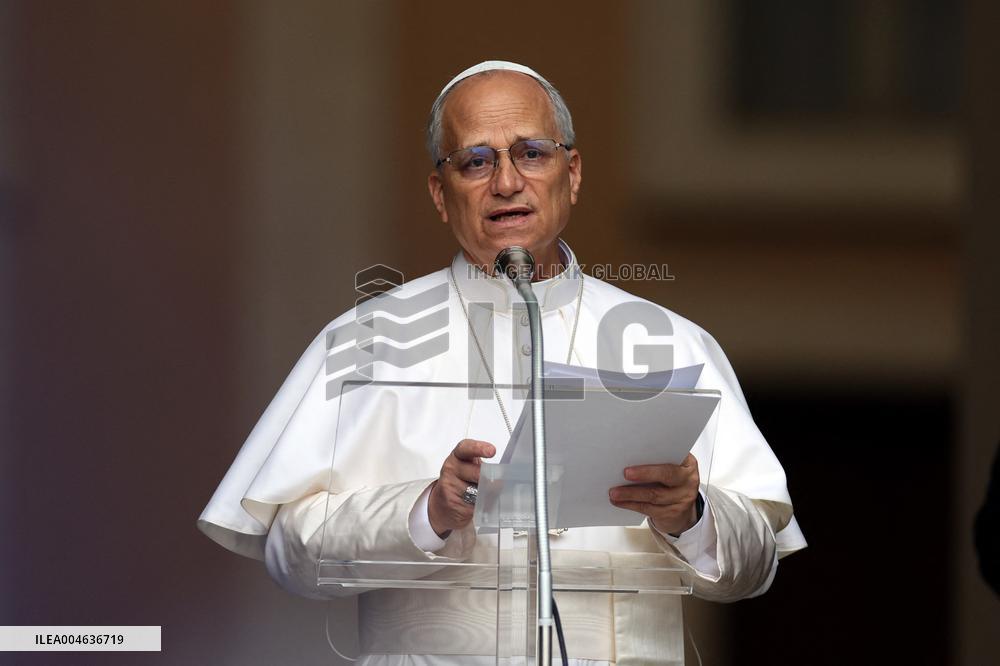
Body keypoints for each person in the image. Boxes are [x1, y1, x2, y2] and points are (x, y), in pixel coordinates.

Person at [198, 61, 806, 665]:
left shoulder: (674, 342)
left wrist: (690, 514)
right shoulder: (366, 341)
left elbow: (753, 568)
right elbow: (291, 552)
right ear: (442, 193)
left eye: (532, 153)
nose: (507, 182)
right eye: (476, 161)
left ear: (572, 174)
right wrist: (427, 511)